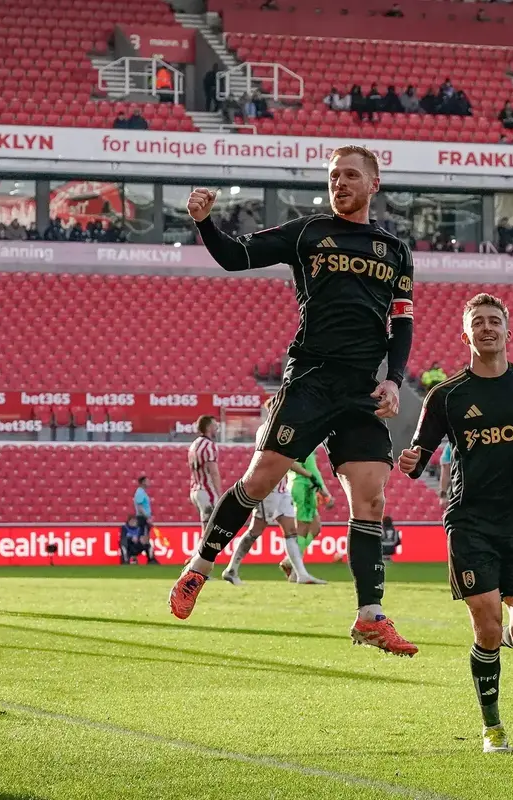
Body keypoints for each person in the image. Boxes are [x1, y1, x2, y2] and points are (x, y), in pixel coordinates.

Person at [171, 145, 419, 657]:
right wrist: (205, 222)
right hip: (310, 379)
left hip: (363, 389)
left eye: (351, 175)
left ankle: (370, 615)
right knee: (259, 480)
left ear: (374, 184)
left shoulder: (394, 250)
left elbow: (403, 322)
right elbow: (235, 256)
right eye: (334, 175)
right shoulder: (307, 232)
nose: (340, 182)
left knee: (371, 496)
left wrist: (394, 379)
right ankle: (199, 566)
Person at [399, 293, 513, 753]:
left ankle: (500, 645)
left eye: (495, 321)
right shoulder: (446, 396)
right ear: (466, 334)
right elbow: (419, 458)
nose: (488, 328)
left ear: (508, 333)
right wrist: (411, 461)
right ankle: (492, 726)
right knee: (487, 621)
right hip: (469, 520)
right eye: (479, 322)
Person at [222, 415, 326, 586]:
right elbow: (284, 461)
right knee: (255, 530)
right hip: (268, 488)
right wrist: (309, 475)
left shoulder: (280, 430)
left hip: (282, 488)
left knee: (291, 531)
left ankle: (301, 574)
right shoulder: (268, 430)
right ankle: (231, 569)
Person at [281, 444, 334, 579]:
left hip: (300, 486)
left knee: (315, 527)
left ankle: (291, 562)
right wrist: (325, 493)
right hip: (303, 487)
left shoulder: (295, 446)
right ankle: (294, 566)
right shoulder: (306, 448)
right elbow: (313, 471)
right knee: (303, 527)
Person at [188, 415, 222, 523]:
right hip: (207, 491)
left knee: (207, 529)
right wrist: (220, 495)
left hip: (195, 490)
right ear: (208, 428)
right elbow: (214, 472)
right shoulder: (210, 445)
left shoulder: (194, 444)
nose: (217, 428)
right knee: (211, 531)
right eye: (215, 425)